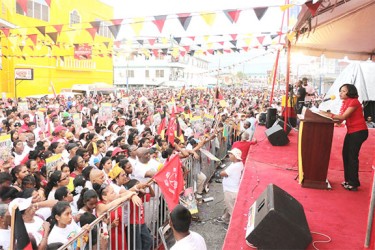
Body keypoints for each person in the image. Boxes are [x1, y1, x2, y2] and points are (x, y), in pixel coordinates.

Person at [321, 84, 368, 191]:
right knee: (346, 155)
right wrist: (325, 116)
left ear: (350, 92)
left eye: (343, 91)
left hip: (359, 132)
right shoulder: (346, 103)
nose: (340, 93)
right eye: (340, 91)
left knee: (352, 157)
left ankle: (353, 183)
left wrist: (327, 114)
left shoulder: (354, 102)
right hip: (352, 132)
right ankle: (348, 180)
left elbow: (343, 117)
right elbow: (340, 121)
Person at [217, 148, 244, 224]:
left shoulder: (234, 166)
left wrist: (221, 173)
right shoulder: (238, 163)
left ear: (235, 156)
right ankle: (225, 218)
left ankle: (234, 224)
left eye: (231, 154)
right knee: (228, 205)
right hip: (232, 188)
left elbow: (223, 173)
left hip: (231, 190)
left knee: (231, 208)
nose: (229, 155)